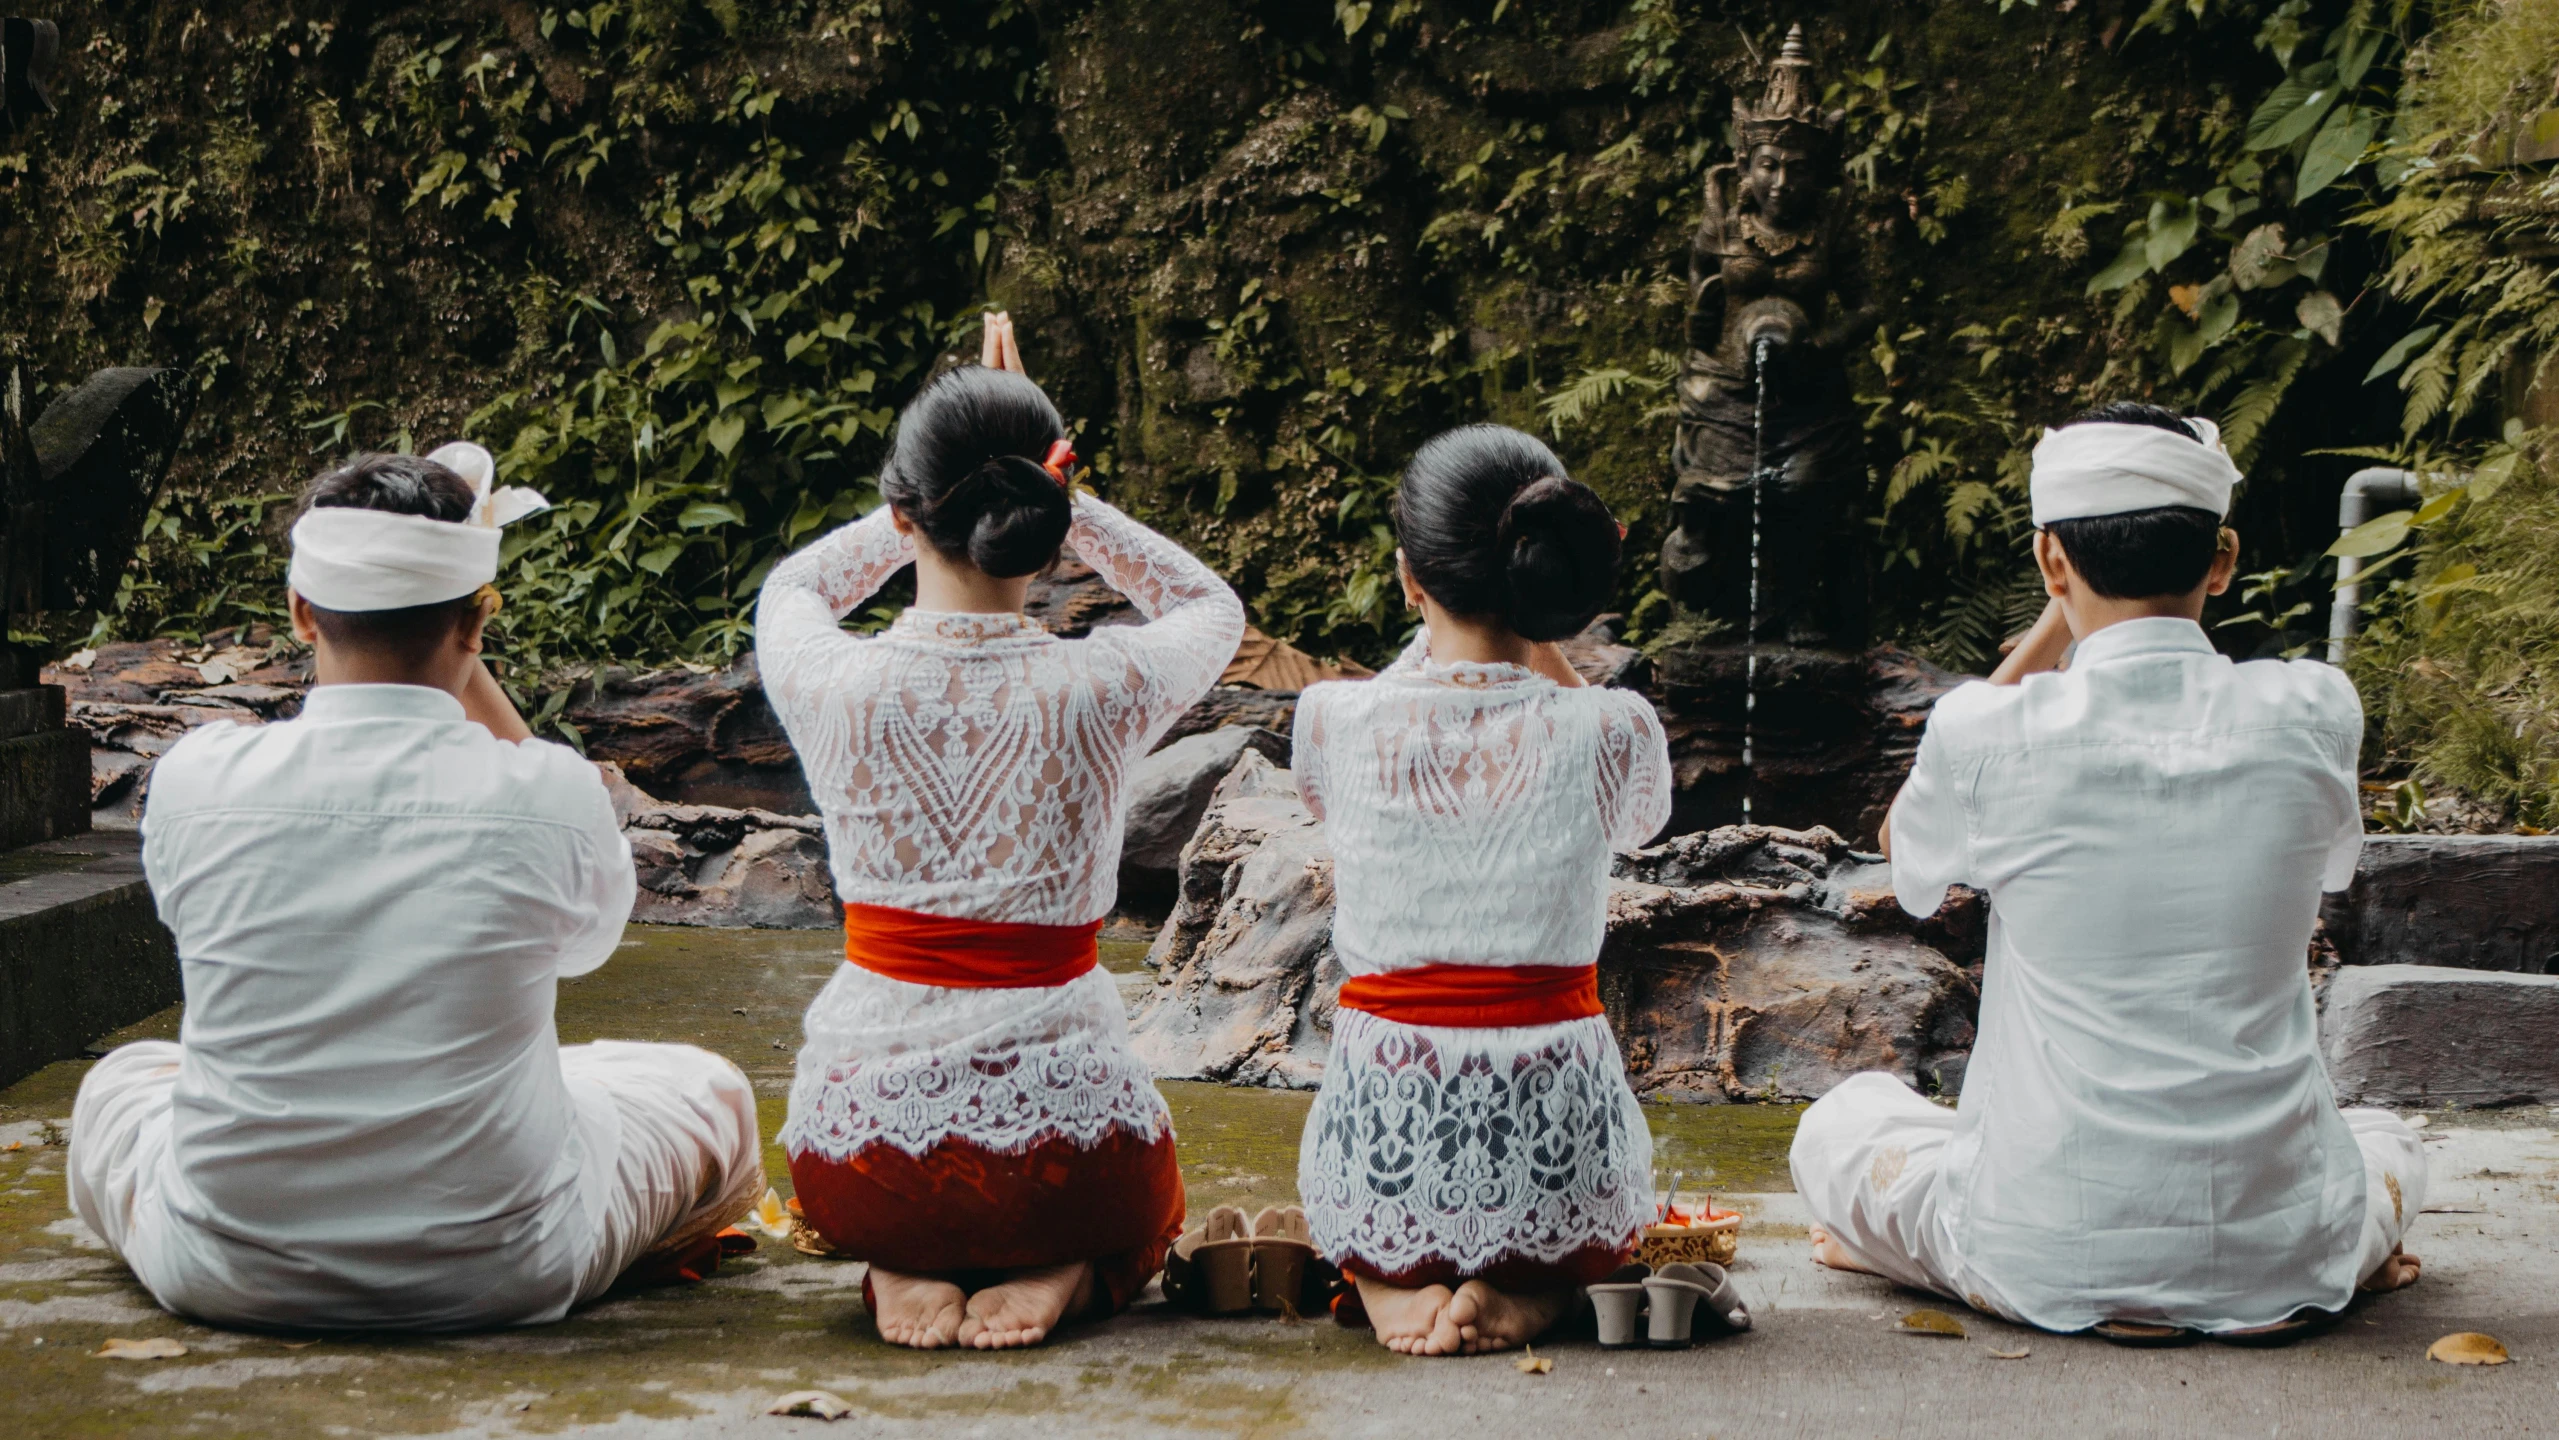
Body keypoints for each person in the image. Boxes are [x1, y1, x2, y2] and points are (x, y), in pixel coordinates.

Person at [68, 445, 765, 1332]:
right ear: (476, 626)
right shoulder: (549, 793)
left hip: (221, 1265)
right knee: (708, 1090)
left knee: (124, 1081)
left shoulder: (198, 776)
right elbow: (584, 948)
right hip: (505, 1271)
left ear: (299, 611)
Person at [1789, 402, 2426, 1343]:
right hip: (2279, 1252)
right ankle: (2331, 1258)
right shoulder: (2313, 710)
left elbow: (1905, 857)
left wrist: (2055, 622)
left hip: (2041, 1241)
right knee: (2391, 1142)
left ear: (2051, 562)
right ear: (2222, 558)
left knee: (1843, 1123)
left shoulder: (1987, 732)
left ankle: (1918, 1256)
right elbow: (2334, 866)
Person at [761, 314, 1245, 1351]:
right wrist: (1060, 490)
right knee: (1131, 1205)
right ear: (1045, 514)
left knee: (898, 1190)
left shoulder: (834, 682)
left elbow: (794, 586)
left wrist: (949, 486)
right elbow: (1208, 603)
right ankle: (1062, 1262)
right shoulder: (1100, 683)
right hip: (1068, 1168)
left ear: (902, 515)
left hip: (860, 1167)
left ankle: (903, 1257)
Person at [1292, 424, 1673, 1356]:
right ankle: (1539, 1284)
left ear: (1408, 577)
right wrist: (1542, 645)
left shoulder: (1333, 717)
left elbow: (1358, 753)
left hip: (1382, 1147)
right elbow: (1641, 822)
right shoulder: (1611, 726)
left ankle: (1388, 1273)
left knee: (1376, 1190)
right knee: (1592, 1230)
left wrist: (1441, 628)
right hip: (1558, 1156)